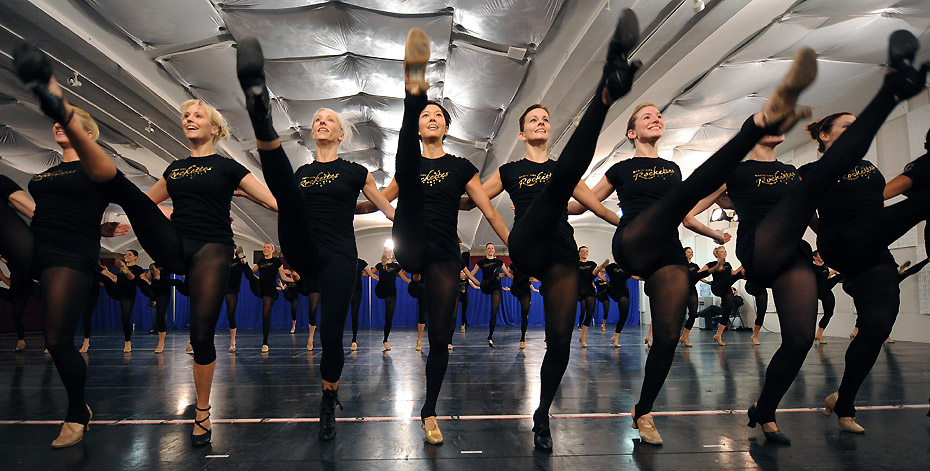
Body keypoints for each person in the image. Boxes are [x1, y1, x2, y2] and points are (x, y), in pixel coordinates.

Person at [14, 41, 282, 447]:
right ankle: (60, 108)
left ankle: (203, 410)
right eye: (186, 115)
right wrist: (109, 226)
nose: (189, 119)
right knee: (130, 193)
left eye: (197, 115)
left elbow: (275, 203)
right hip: (174, 243)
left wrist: (302, 206)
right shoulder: (174, 169)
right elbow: (143, 205)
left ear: (214, 128)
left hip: (212, 247)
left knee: (201, 336)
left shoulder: (229, 166)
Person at [578, 40, 817, 444]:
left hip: (668, 251)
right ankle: (754, 126)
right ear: (631, 132)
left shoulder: (672, 167)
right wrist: (568, 204)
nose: (656, 118)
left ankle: (643, 410)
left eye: (658, 115)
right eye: (647, 116)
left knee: (668, 336)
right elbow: (584, 202)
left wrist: (714, 233)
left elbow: (687, 213)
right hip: (634, 239)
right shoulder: (620, 168)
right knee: (681, 195)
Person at [356, 27, 511, 445]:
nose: (432, 119)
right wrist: (345, 207)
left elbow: (488, 208)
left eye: (437, 115)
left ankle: (429, 411)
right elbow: (377, 201)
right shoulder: (408, 164)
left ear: (446, 127)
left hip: (443, 251)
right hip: (408, 241)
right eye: (425, 114)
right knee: (406, 168)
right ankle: (414, 87)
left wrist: (513, 246)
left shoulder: (461, 167)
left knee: (440, 338)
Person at [236, 36, 397, 439]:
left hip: (340, 255)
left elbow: (385, 208)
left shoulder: (356, 172)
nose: (322, 122)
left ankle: (329, 397)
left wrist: (413, 224)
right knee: (290, 196)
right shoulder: (302, 173)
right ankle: (260, 114)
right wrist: (242, 192)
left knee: (330, 334)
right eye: (317, 120)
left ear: (341, 135)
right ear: (312, 132)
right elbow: (281, 203)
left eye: (329, 120)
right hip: (302, 247)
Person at [505, 10, 638, 451]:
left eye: (546, 119)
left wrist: (625, 222)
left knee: (560, 341)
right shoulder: (510, 169)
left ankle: (542, 413)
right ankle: (604, 97)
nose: (541, 123)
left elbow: (593, 204)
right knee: (556, 187)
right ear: (522, 133)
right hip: (526, 242)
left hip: (560, 249)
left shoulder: (562, 171)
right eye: (534, 120)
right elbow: (474, 199)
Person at [0, 94, 118, 447]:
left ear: (88, 133)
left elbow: (139, 203)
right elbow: (36, 211)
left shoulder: (97, 169)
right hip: (39, 244)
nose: (57, 123)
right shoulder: (47, 174)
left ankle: (78, 412)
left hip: (72, 255)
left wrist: (172, 214)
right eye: (56, 120)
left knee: (56, 341)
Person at [98, 249, 146, 352]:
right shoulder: (120, 269)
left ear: (135, 257)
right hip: (117, 292)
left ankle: (127, 342)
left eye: (129, 254)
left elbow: (143, 280)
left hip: (128, 295)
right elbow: (115, 279)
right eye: (125, 254)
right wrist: (106, 271)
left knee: (125, 318)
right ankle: (94, 267)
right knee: (105, 278)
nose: (126, 256)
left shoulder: (138, 269)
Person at [249, 242, 292, 352]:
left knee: (265, 315)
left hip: (270, 291)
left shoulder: (277, 262)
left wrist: (295, 280)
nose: (265, 249)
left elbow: (283, 277)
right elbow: (250, 272)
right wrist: (256, 278)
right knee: (250, 277)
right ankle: (243, 260)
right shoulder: (260, 262)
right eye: (264, 247)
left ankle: (265, 342)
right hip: (260, 288)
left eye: (268, 247)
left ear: (273, 250)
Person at [467, 243, 511, 346]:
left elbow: (507, 274)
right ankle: (494, 276)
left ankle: (490, 336)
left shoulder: (499, 262)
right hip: (486, 285)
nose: (490, 250)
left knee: (494, 312)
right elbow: (471, 274)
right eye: (488, 248)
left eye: (492, 248)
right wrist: (478, 283)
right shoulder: (481, 262)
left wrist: (517, 277)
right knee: (496, 275)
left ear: (494, 250)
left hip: (496, 287)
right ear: (486, 251)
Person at [698, 247, 743, 346]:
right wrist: (708, 282)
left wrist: (742, 266)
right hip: (717, 287)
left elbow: (734, 273)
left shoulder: (728, 265)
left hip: (727, 289)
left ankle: (718, 335)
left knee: (727, 311)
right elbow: (699, 274)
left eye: (725, 251)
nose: (725, 253)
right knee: (734, 277)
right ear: (716, 254)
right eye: (722, 252)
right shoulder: (711, 264)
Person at [374, 248, 407, 351]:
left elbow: (404, 278)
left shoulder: (396, 266)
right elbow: (369, 273)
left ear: (392, 253)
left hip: (391, 293)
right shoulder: (380, 265)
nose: (388, 253)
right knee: (387, 314)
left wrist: (414, 282)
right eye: (386, 251)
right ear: (384, 253)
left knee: (389, 316)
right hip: (381, 290)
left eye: (389, 251)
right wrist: (360, 273)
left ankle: (385, 340)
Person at [812, 250, 843, 344]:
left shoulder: (825, 265)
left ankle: (819, 334)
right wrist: (831, 272)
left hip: (826, 289)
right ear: (814, 257)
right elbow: (817, 275)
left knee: (829, 313)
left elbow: (825, 277)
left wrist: (831, 273)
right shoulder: (812, 266)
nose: (822, 256)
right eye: (819, 255)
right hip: (817, 290)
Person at [679, 247, 708, 347]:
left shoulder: (695, 266)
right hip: (681, 290)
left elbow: (699, 276)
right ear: (684, 254)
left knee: (693, 314)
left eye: (692, 252)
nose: (691, 253)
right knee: (679, 315)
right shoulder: (680, 265)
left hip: (691, 290)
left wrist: (708, 282)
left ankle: (684, 337)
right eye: (689, 252)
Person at [349, 258, 376, 351]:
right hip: (345, 290)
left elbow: (370, 274)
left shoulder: (361, 262)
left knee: (354, 314)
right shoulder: (345, 259)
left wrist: (379, 279)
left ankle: (354, 340)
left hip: (357, 291)